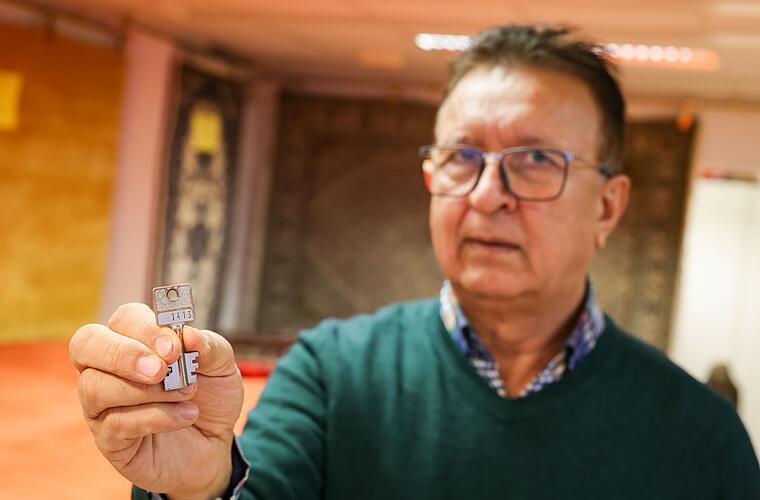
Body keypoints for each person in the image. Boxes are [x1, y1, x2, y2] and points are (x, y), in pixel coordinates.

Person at [70, 24, 760, 499]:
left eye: (536, 159)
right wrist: (199, 486)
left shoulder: (702, 437)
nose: (487, 194)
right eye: (462, 156)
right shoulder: (330, 374)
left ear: (608, 207)